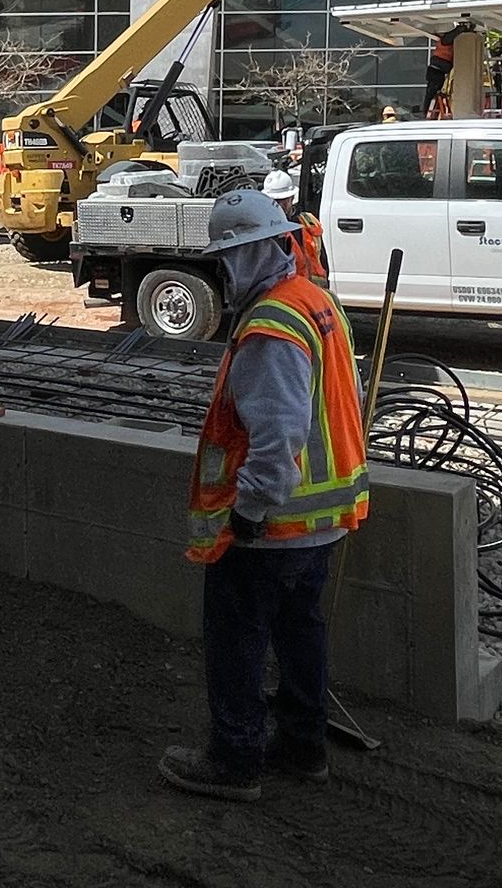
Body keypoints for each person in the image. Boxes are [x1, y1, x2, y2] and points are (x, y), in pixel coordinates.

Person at [159, 190, 370, 802]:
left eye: (225, 259)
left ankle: (235, 757)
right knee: (300, 631)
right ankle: (304, 748)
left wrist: (247, 511)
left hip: (274, 522)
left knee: (236, 638)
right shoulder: (313, 300)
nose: (221, 273)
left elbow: (276, 437)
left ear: (245, 256)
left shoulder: (270, 326)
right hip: (323, 518)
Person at [260, 169, 326, 285]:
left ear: (292, 198)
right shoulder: (265, 230)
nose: (280, 205)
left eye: (284, 200)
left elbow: (322, 258)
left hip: (316, 289)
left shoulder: (308, 221)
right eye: (275, 201)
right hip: (290, 292)